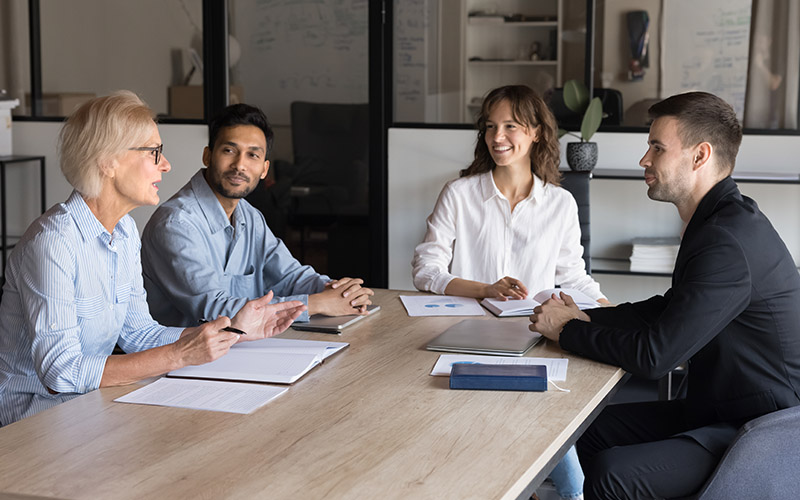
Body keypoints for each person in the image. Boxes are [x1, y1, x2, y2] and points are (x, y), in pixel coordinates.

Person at [530, 91, 800, 499]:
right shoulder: (720, 220)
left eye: (657, 147)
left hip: (763, 431)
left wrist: (567, 331)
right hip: (724, 406)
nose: (644, 160)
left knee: (612, 473)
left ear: (700, 155)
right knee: (588, 432)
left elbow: (656, 357)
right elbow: (672, 307)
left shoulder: (726, 239)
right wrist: (589, 317)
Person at [0, 92, 305, 426]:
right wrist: (178, 354)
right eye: (153, 152)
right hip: (32, 416)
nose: (166, 164)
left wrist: (232, 331)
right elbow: (61, 372)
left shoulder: (126, 232)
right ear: (108, 161)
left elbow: (140, 335)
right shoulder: (53, 243)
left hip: (87, 404)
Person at [413, 84, 608, 500]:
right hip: (465, 340)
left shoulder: (560, 203)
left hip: (534, 342)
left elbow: (573, 277)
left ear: (536, 132)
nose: (497, 137)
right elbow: (426, 270)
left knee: (571, 482)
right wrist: (486, 288)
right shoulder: (460, 194)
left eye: (510, 126)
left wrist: (612, 310)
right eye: (490, 127)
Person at [141, 103, 373, 327]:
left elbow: (289, 276)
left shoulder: (249, 216)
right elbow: (214, 310)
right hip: (185, 361)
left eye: (252, 155)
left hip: (242, 348)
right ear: (207, 156)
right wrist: (316, 304)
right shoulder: (175, 224)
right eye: (229, 150)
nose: (240, 165)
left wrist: (337, 291)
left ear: (264, 169)